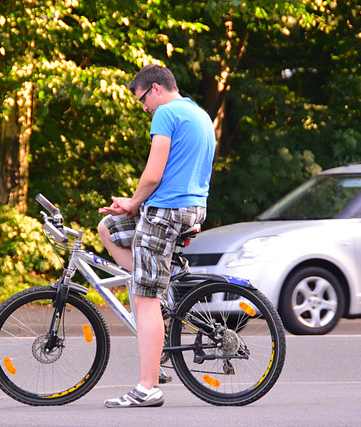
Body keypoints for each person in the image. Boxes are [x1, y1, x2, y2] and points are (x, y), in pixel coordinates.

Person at [98, 64, 216, 408]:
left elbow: (153, 173)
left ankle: (148, 387)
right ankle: (152, 292)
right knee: (108, 228)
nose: (144, 107)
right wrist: (133, 207)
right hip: (193, 208)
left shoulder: (165, 114)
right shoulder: (200, 114)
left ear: (156, 89)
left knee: (144, 297)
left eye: (142, 100)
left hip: (166, 211)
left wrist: (134, 202)